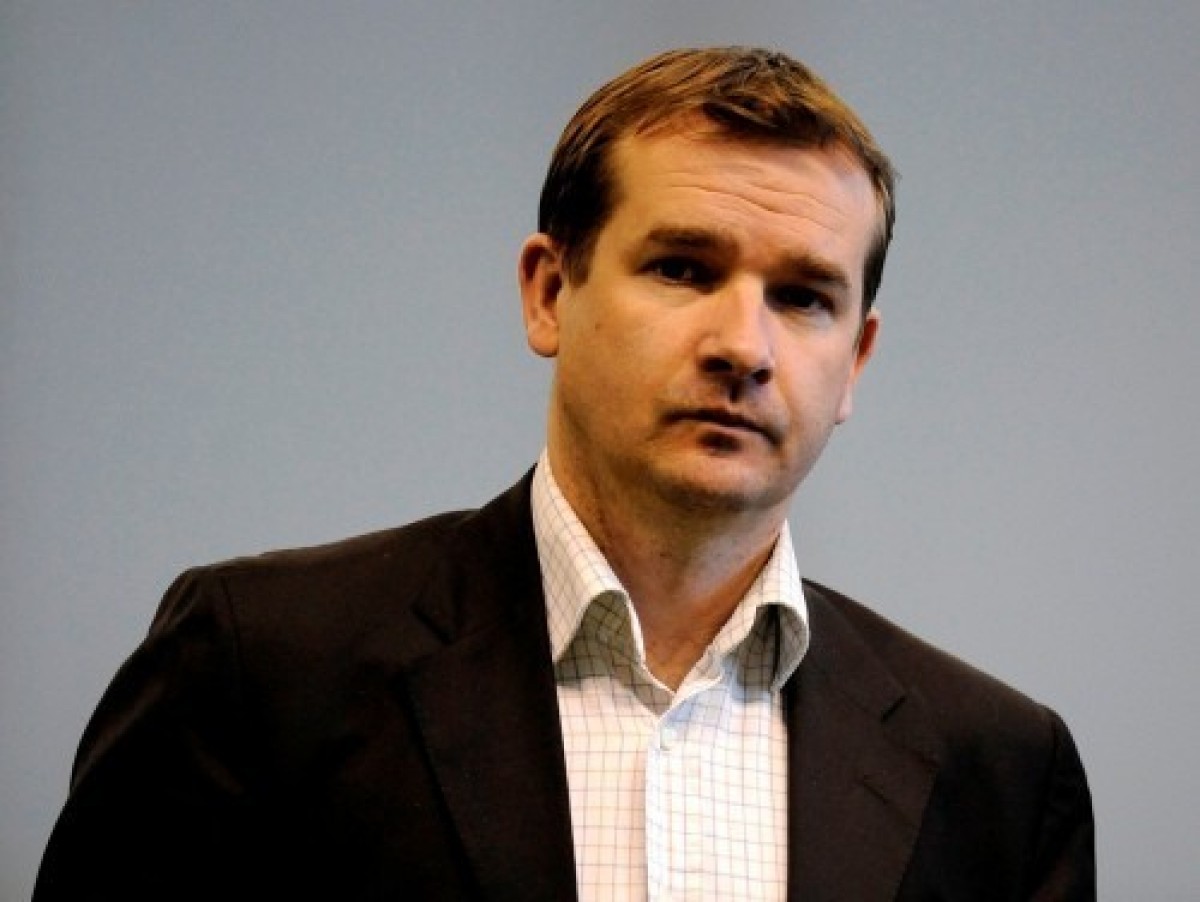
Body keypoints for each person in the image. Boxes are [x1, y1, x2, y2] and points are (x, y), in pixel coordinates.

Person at [35, 46, 1095, 900]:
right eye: (683, 268)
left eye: (803, 297)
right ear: (549, 292)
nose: (744, 345)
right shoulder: (259, 667)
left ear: (854, 359)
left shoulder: (1000, 769)